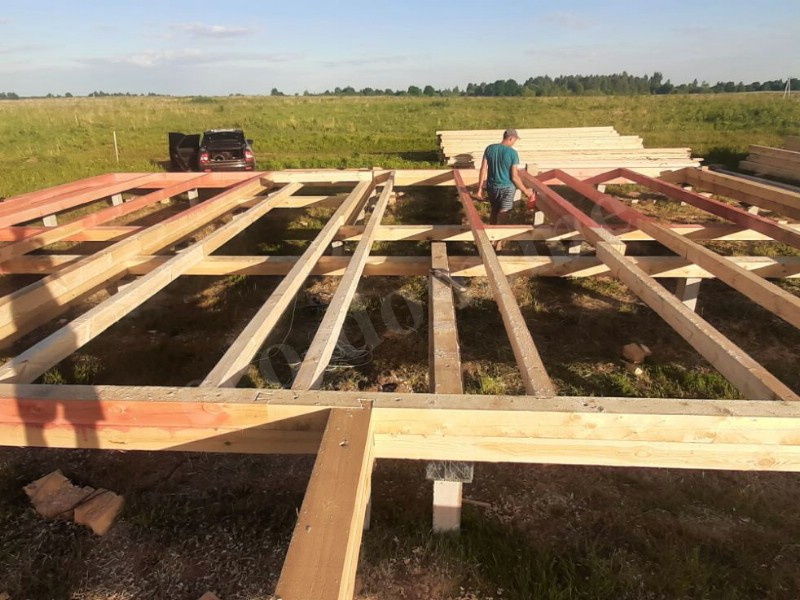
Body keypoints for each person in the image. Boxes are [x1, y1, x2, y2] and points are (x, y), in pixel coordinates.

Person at [475, 128, 535, 230]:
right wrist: (525, 190)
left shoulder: (489, 148)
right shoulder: (512, 153)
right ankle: (500, 236)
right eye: (515, 140)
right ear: (511, 138)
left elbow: (483, 169)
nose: (514, 143)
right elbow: (514, 177)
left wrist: (480, 188)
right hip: (507, 188)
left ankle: (492, 233)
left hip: (492, 187)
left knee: (494, 210)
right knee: (504, 212)